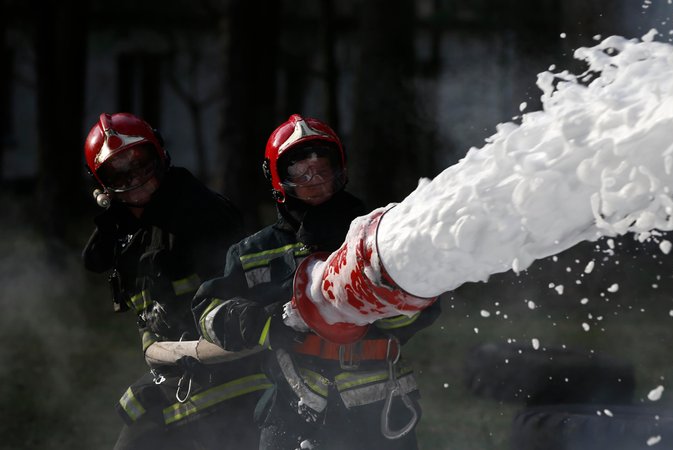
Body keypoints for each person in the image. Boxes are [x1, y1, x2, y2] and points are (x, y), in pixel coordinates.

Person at [192, 114, 441, 449]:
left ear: (341, 170)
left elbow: (427, 303)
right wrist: (257, 321)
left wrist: (377, 306)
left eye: (323, 169)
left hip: (381, 415)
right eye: (301, 172)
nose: (316, 179)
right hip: (292, 411)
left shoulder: (374, 235)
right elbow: (207, 309)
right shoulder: (253, 252)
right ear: (277, 177)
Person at [82, 112, 268, 450]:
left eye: (141, 163)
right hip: (175, 373)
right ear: (104, 185)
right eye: (119, 172)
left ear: (160, 157)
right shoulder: (132, 231)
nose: (135, 177)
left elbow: (237, 304)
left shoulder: (201, 215)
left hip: (233, 374)